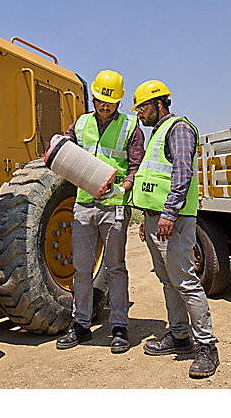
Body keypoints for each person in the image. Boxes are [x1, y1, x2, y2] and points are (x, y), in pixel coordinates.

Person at [131, 79, 219, 379]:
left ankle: (207, 346)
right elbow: (154, 179)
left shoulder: (178, 128)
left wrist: (168, 213)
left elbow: (183, 171)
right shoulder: (156, 133)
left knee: (185, 282)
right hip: (157, 219)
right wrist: (148, 218)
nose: (139, 115)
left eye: (142, 107)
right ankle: (180, 336)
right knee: (168, 281)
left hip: (175, 220)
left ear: (159, 104)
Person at [56, 69, 145, 353]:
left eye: (109, 102)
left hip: (114, 206)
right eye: (99, 100)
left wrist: (125, 188)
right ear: (93, 97)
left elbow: (136, 167)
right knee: (82, 269)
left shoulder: (131, 127)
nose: (104, 106)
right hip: (84, 204)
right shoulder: (81, 123)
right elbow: (65, 148)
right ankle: (81, 324)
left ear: (118, 102)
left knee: (115, 268)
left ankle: (119, 326)